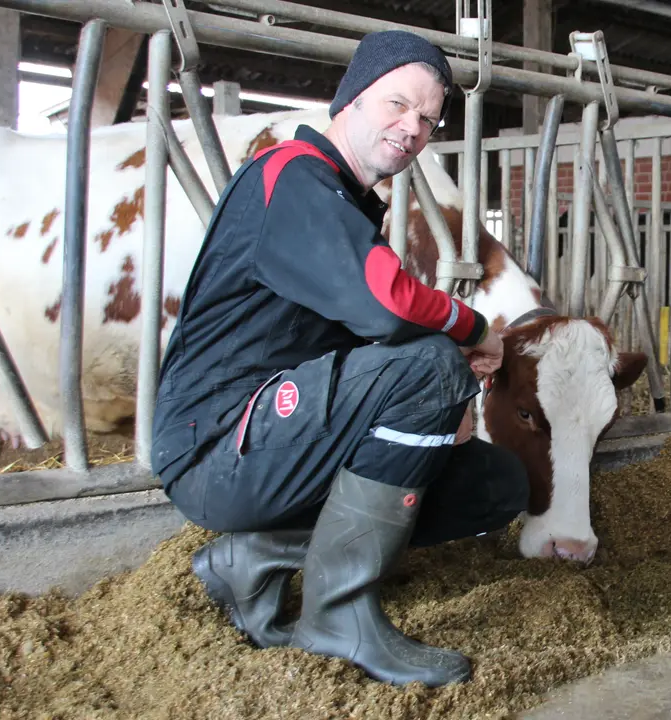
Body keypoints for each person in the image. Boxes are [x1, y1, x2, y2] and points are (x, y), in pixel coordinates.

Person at [150, 31, 529, 687]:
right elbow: (386, 304)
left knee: (494, 484)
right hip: (219, 449)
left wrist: (438, 421)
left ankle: (254, 560)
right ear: (351, 98)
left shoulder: (346, 204)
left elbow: (363, 339)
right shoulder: (290, 174)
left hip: (285, 439)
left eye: (427, 119)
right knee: (436, 360)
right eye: (397, 104)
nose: (411, 128)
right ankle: (339, 614)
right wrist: (470, 327)